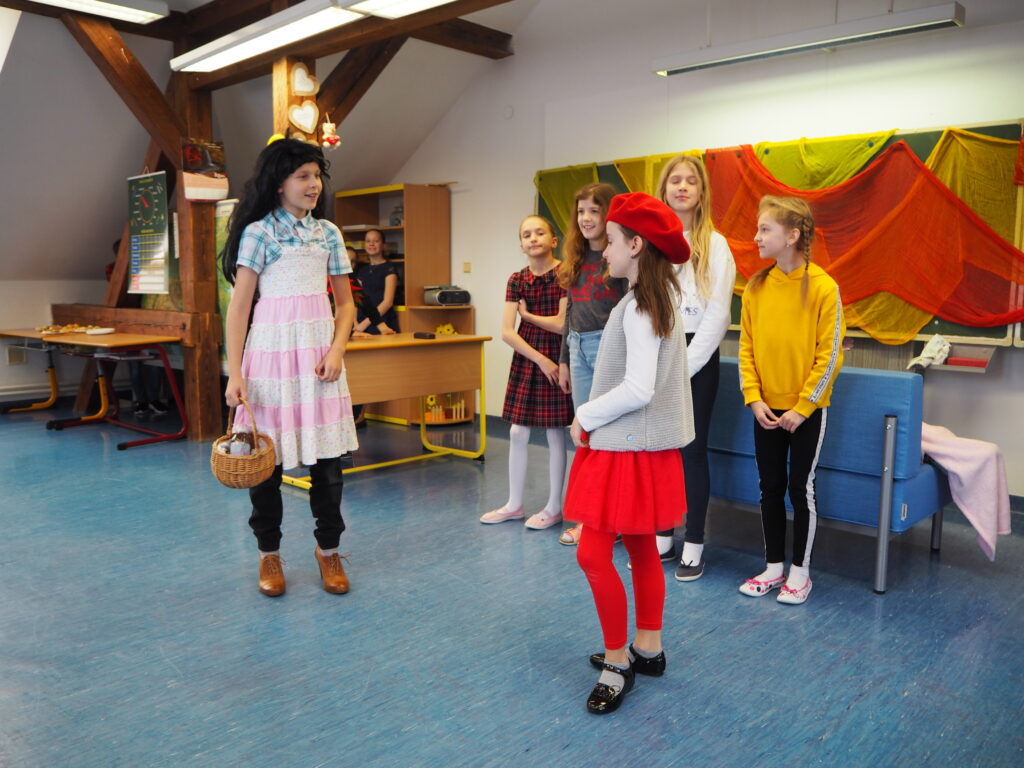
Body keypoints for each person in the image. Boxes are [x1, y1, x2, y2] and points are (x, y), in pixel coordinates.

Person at [565, 192, 693, 715]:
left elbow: (638, 388)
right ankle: (649, 647)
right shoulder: (655, 300)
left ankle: (618, 663)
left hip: (625, 448)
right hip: (645, 449)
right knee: (640, 547)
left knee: (592, 554)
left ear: (636, 245)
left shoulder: (639, 306)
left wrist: (585, 415)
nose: (605, 250)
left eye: (613, 240)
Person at [221, 138, 359, 598]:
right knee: (266, 466)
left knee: (329, 468)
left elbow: (346, 304)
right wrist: (236, 373)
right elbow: (240, 308)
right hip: (270, 360)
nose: (313, 184)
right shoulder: (259, 233)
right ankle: (269, 554)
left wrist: (337, 350)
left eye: (316, 176)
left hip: (320, 361)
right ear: (279, 183)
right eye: (303, 176)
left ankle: (328, 550)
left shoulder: (329, 233)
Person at [738, 195, 845, 606]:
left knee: (801, 489)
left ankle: (800, 573)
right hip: (765, 408)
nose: (756, 236)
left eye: (765, 229)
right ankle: (773, 568)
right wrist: (753, 399)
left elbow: (829, 355)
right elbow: (746, 348)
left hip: (806, 412)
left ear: (792, 235)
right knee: (769, 487)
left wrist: (803, 407)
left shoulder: (824, 287)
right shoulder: (756, 287)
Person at [655, 154, 737, 579]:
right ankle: (662, 536)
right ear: (664, 189)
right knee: (659, 451)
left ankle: (694, 543)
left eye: (691, 181)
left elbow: (718, 314)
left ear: (702, 191)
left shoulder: (716, 245)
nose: (683, 187)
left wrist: (681, 368)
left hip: (696, 356)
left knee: (691, 451)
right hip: (657, 351)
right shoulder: (651, 243)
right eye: (675, 180)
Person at [480, 215, 574, 530]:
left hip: (558, 355)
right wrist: (541, 361)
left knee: (555, 432)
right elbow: (507, 332)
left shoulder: (565, 273)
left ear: (554, 240)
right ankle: (514, 504)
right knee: (517, 432)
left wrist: (528, 316)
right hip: (529, 356)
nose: (533, 238)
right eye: (526, 235)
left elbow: (561, 324)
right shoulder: (516, 279)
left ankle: (554, 507)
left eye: (539, 232)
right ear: (521, 244)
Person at [555, 183, 629, 546]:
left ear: (608, 215)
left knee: (606, 437)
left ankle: (609, 520)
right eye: (581, 211)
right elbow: (570, 310)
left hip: (607, 348)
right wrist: (564, 360)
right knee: (583, 435)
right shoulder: (576, 257)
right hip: (577, 346)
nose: (586, 218)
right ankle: (589, 518)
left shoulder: (617, 259)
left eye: (594, 211)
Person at [353, 229, 400, 334]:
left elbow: (387, 302)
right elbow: (356, 298)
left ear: (383, 245)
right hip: (361, 321)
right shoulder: (361, 270)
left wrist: (364, 324)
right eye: (368, 241)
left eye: (376, 241)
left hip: (382, 320)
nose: (371, 244)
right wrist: (355, 323)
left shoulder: (389, 268)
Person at [345, 247, 396, 338]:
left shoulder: (350, 276)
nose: (348, 264)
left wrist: (381, 325)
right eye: (345, 259)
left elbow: (363, 299)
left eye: (352, 262)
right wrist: (351, 332)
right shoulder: (328, 276)